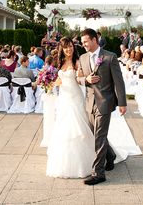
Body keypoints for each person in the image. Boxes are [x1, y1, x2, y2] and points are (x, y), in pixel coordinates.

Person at [78, 28, 127, 185]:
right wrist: (86, 79)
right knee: (96, 135)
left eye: (85, 41)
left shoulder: (110, 57)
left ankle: (98, 173)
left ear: (94, 40)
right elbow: (78, 78)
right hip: (89, 102)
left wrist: (122, 102)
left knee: (99, 137)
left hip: (105, 102)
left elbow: (119, 82)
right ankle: (110, 155)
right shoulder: (83, 57)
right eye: (82, 41)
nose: (83, 44)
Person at [46, 37, 95, 179]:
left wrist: (81, 75)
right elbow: (58, 79)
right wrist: (52, 83)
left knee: (78, 127)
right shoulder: (59, 62)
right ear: (62, 48)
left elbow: (80, 79)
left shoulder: (77, 62)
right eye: (66, 47)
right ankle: (64, 162)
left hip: (75, 98)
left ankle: (87, 162)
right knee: (63, 128)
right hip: (63, 98)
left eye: (71, 46)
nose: (69, 49)